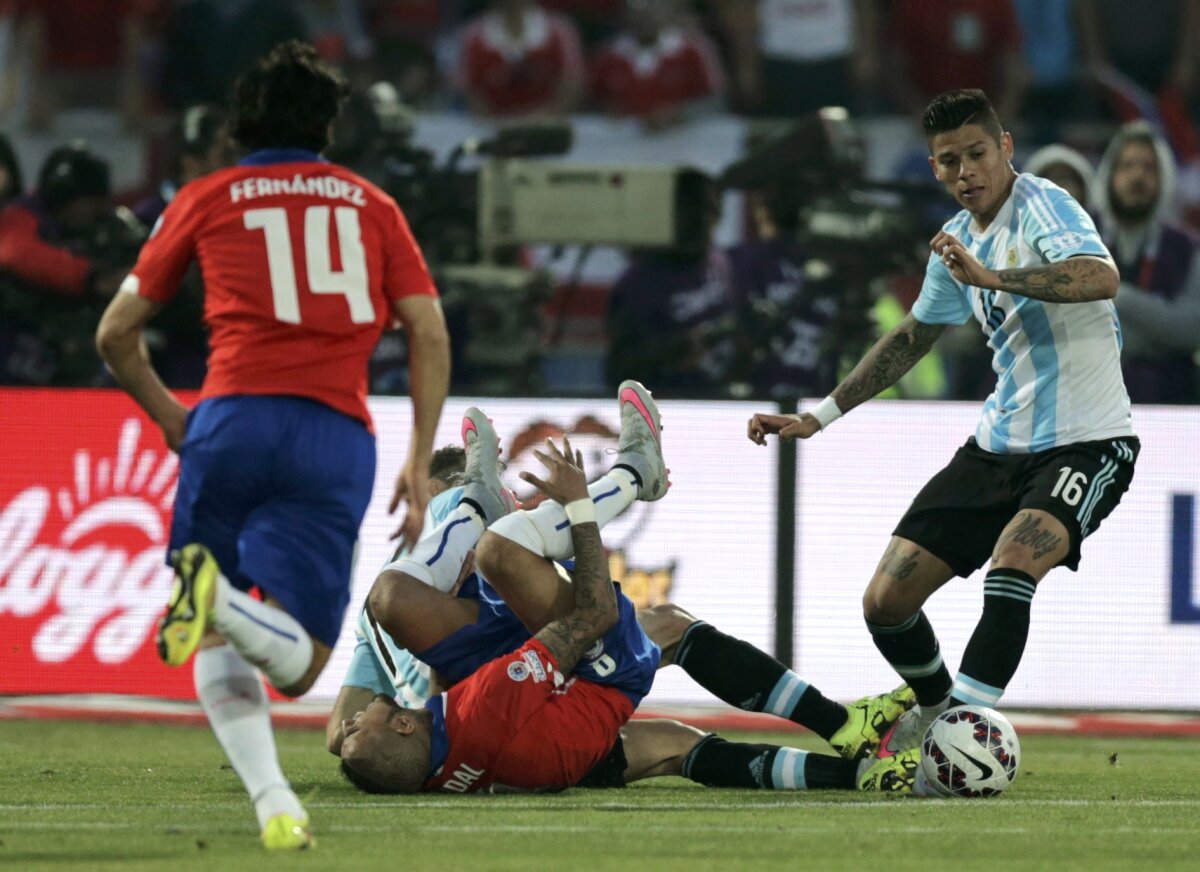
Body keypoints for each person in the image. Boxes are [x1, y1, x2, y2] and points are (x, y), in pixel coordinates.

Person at [94, 41, 451, 850]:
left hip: (230, 423)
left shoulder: (206, 196)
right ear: (328, 124)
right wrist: (419, 455)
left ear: (237, 126)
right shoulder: (372, 205)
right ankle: (266, 791)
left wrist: (171, 418)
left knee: (216, 632)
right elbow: (427, 329)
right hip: (332, 434)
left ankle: (272, 799)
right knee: (304, 668)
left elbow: (116, 334)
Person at [748, 89, 1139, 760]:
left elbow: (1100, 276)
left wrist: (998, 276)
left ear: (1006, 148)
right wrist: (820, 416)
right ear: (933, 167)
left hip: (1089, 442)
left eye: (978, 154)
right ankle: (936, 712)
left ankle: (962, 738)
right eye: (950, 160)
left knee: (1013, 565)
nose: (967, 172)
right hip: (995, 449)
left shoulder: (1043, 204)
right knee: (885, 601)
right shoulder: (954, 245)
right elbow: (911, 337)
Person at [338, 386, 920, 794]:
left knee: (676, 742)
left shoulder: (422, 752)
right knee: (500, 552)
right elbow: (588, 616)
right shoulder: (489, 700)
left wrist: (353, 734)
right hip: (574, 683)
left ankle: (858, 768)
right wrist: (580, 506)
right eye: (366, 723)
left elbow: (365, 732)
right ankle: (631, 477)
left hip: (551, 744)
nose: (359, 719)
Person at [1092, 121, 1200, 403]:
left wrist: (1119, 297)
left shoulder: (1186, 247)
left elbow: (1190, 330)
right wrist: (1158, 332)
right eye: (1127, 166)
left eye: (1149, 168)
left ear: (1164, 177)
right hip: (1090, 402)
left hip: (1166, 401)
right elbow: (1067, 325)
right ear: (1110, 173)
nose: (1137, 176)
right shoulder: (1081, 236)